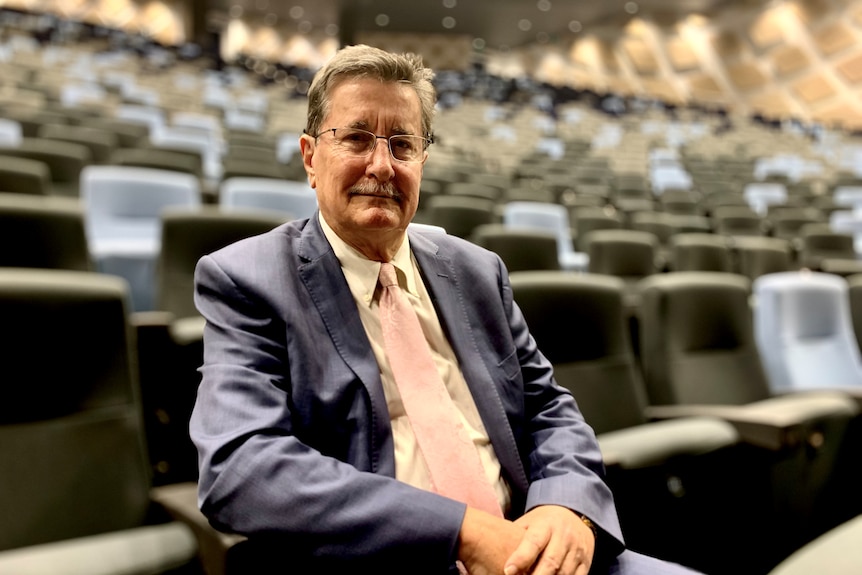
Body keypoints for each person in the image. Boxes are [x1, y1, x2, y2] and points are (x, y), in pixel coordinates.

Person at [189, 44, 700, 575]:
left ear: (422, 161)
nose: (382, 165)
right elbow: (240, 466)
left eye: (402, 144)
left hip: (532, 552)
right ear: (311, 157)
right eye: (357, 138)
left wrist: (568, 504)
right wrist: (458, 531)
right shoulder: (248, 279)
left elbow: (550, 409)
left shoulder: (477, 272)